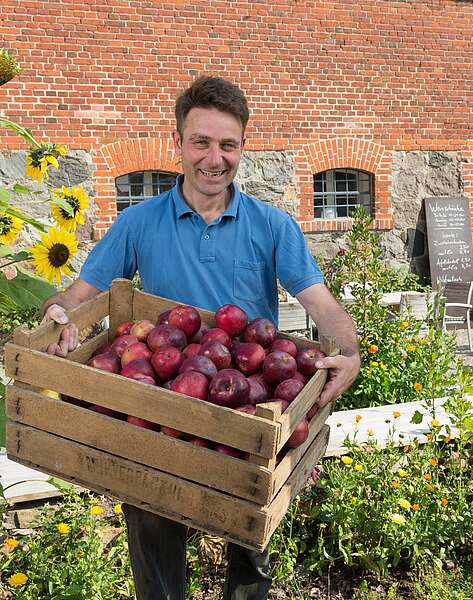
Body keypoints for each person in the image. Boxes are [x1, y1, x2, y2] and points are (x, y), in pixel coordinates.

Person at [39, 76, 361, 600]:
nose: (215, 158)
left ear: (242, 148)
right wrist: (58, 314)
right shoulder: (139, 222)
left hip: (249, 408)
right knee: (156, 546)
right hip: (160, 410)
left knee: (251, 555)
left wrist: (348, 353)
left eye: (228, 145)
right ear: (179, 144)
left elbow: (320, 303)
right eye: (202, 142)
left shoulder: (272, 225)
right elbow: (80, 293)